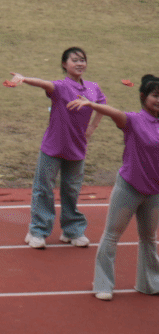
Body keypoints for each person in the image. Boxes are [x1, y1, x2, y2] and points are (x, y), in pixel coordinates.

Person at [68, 75, 159, 301]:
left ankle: (149, 283)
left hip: (154, 192)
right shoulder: (134, 120)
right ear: (143, 97)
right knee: (111, 236)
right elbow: (114, 112)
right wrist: (91, 104)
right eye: (155, 96)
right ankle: (103, 284)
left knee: (149, 238)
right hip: (129, 188)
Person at [9, 50, 104, 248]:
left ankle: (73, 230)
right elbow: (44, 83)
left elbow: (101, 105)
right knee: (44, 189)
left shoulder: (93, 88)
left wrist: (93, 126)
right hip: (52, 147)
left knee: (71, 190)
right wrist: (24, 79)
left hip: (77, 148)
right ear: (64, 64)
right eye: (74, 60)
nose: (80, 64)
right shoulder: (60, 86)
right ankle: (38, 231)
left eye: (83, 60)